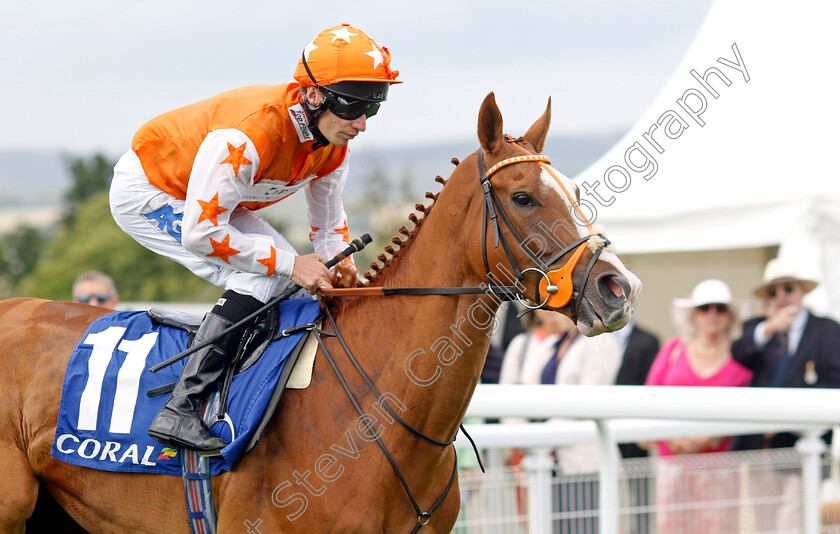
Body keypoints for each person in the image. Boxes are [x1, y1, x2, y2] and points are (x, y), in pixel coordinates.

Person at [109, 23, 401, 452]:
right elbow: (200, 232)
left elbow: (328, 225)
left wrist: (343, 270)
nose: (361, 123)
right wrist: (291, 264)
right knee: (266, 276)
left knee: (287, 275)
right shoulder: (249, 135)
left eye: (372, 109)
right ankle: (181, 407)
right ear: (315, 94)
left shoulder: (334, 145)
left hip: (212, 203)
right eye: (355, 106)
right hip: (152, 191)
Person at [730, 258, 840, 530]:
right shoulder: (757, 327)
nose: (781, 296)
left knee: (793, 522)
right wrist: (769, 329)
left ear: (801, 291)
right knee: (764, 523)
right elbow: (738, 352)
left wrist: (787, 417)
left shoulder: (826, 330)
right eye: (773, 291)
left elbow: (833, 380)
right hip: (761, 447)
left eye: (788, 288)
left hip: (800, 444)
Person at [644, 278, 751, 534]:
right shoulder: (673, 349)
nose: (712, 314)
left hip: (719, 468)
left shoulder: (741, 358)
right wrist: (672, 438)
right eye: (705, 308)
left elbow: (747, 408)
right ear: (694, 315)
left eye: (720, 308)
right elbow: (650, 400)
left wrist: (710, 437)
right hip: (673, 463)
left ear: (730, 315)